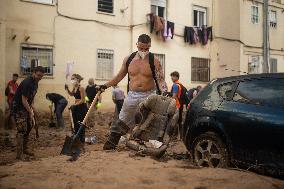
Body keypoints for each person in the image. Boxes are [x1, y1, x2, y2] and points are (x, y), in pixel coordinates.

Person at [99, 34, 168, 150]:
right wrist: (104, 86)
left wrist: (165, 92)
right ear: (137, 44)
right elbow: (119, 76)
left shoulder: (154, 61)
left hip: (149, 94)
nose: (143, 51)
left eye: (146, 49)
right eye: (141, 48)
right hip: (133, 94)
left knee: (150, 120)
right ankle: (111, 143)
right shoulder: (129, 59)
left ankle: (150, 145)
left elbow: (161, 80)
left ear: (150, 47)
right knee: (123, 118)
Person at [12, 66, 44, 160]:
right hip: (18, 107)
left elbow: (30, 99)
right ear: (33, 73)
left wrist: (32, 109)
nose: (39, 78)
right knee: (22, 129)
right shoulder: (27, 82)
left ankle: (25, 149)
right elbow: (24, 100)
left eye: (41, 76)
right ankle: (19, 154)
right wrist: (30, 112)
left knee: (29, 127)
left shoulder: (35, 83)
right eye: (38, 75)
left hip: (25, 106)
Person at [65, 73, 88, 160]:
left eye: (73, 78)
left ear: (78, 79)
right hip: (76, 107)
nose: (72, 80)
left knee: (81, 126)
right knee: (74, 126)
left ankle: (82, 145)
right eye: (72, 79)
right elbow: (72, 94)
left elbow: (83, 100)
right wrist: (67, 89)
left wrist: (74, 105)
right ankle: (76, 145)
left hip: (81, 108)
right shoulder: (74, 87)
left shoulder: (81, 88)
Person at [170, 71, 185, 138]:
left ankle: (174, 136)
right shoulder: (180, 84)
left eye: (173, 76)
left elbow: (174, 96)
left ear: (176, 77)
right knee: (179, 120)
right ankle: (181, 136)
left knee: (174, 120)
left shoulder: (176, 85)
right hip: (180, 104)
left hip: (176, 105)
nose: (171, 78)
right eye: (171, 76)